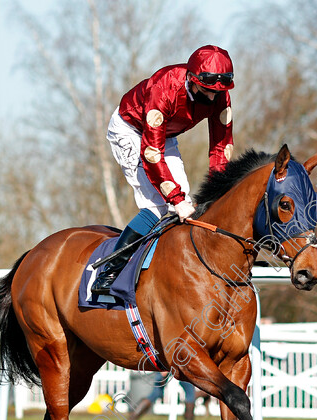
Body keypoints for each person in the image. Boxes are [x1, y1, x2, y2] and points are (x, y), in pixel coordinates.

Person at [92, 44, 235, 294]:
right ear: (192, 79)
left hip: (165, 136)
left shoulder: (220, 93)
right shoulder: (165, 86)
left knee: (186, 202)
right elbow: (151, 152)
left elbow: (221, 148)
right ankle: (110, 270)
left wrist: (218, 192)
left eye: (217, 93)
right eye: (206, 91)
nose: (212, 98)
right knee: (159, 204)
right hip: (131, 129)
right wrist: (175, 198)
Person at [129, 372, 197, 420]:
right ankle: (134, 417)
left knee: (156, 393)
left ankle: (133, 417)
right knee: (190, 393)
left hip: (171, 365)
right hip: (172, 365)